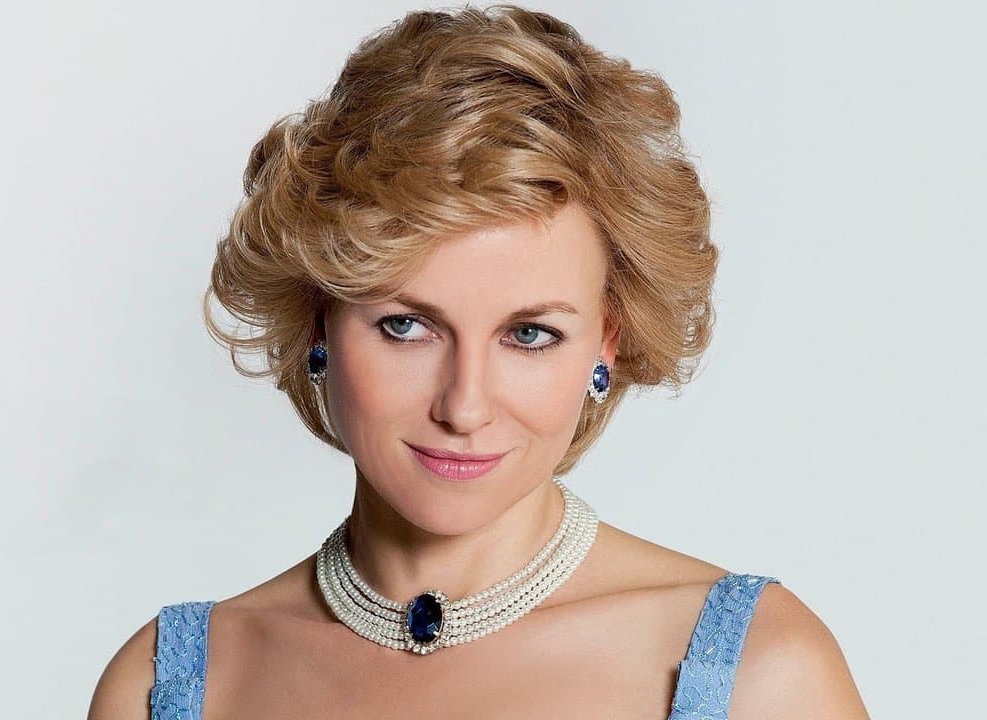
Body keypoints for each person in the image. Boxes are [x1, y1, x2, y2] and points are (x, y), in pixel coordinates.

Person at [89, 5, 869, 718]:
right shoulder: (171, 685)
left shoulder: (762, 675)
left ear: (607, 341)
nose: (464, 407)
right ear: (318, 318)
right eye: (405, 327)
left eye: (529, 335)